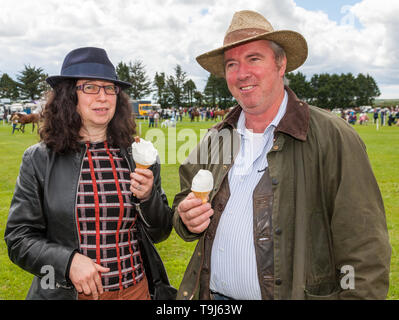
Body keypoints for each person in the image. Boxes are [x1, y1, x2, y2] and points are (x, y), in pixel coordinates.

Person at [172, 10, 391, 300]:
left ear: (280, 63)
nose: (241, 73)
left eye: (254, 58)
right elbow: (182, 206)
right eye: (232, 64)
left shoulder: (333, 136)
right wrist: (185, 218)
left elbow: (365, 248)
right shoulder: (218, 136)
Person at [4, 47, 176, 300]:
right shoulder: (39, 159)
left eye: (109, 88)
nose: (103, 97)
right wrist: (67, 262)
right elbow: (19, 239)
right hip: (70, 294)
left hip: (136, 291)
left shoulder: (139, 154)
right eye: (90, 87)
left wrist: (148, 198)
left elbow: (160, 232)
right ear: (68, 95)